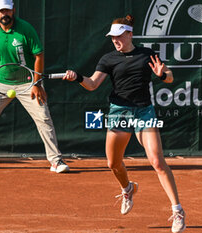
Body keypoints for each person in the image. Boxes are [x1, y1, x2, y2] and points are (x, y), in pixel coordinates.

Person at [63, 15, 185, 233]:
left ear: (130, 34)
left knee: (157, 161)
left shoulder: (147, 54)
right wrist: (77, 77)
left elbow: (170, 77)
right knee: (113, 164)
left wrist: (162, 75)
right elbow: (92, 84)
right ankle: (127, 188)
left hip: (144, 111)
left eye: (119, 36)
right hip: (119, 112)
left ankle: (177, 211)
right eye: (113, 37)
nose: (115, 40)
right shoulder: (108, 59)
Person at [0, 0, 69, 173]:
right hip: (1, 83)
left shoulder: (26, 29)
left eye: (7, 10)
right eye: (1, 11)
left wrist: (37, 84)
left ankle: (56, 161)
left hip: (28, 83)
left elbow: (39, 55)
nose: (4, 14)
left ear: (13, 10)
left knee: (44, 118)